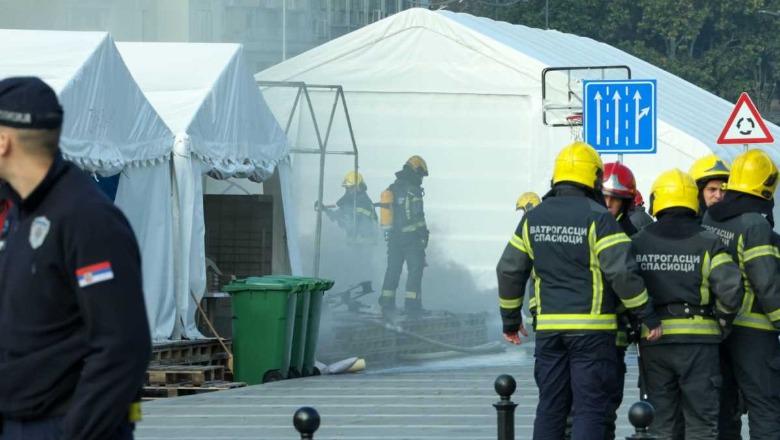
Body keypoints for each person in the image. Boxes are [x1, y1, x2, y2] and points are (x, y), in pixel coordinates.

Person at [0, 77, 151, 439]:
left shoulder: (87, 219)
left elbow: (122, 344)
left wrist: (76, 431)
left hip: (62, 426)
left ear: (3, 142)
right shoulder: (20, 215)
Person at [497, 141, 662, 440]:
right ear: (595, 178)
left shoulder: (534, 218)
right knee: (590, 409)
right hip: (592, 332)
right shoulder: (599, 218)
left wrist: (510, 319)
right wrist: (647, 315)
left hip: (549, 331)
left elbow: (509, 269)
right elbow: (622, 273)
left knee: (550, 407)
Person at [632, 168, 743, 439]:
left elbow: (626, 284)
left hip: (654, 339)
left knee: (661, 422)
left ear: (657, 200)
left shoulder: (638, 242)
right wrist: (723, 321)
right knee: (702, 422)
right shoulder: (708, 241)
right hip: (700, 343)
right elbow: (731, 288)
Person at [702, 149, 780, 440]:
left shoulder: (712, 215)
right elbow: (766, 283)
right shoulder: (754, 224)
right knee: (765, 406)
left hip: (720, 326)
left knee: (725, 407)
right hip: (754, 331)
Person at [689, 153, 740, 440]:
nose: (718, 195)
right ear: (698, 192)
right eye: (711, 189)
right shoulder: (688, 227)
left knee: (728, 404)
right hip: (699, 333)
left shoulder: (736, 227)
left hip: (728, 329)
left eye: (723, 190)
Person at [379, 155, 429, 318]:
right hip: (411, 239)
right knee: (415, 269)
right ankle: (412, 305)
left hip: (393, 238)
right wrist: (424, 234)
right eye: (421, 175)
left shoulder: (393, 188)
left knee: (393, 269)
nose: (421, 179)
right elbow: (418, 216)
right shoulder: (413, 190)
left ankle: (387, 303)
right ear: (416, 171)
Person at [320, 170, 378, 244]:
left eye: (350, 188)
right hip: (355, 241)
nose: (348, 190)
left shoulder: (363, 202)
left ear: (358, 187)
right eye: (347, 188)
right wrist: (325, 209)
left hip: (363, 243)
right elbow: (336, 215)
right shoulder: (352, 201)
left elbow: (355, 223)